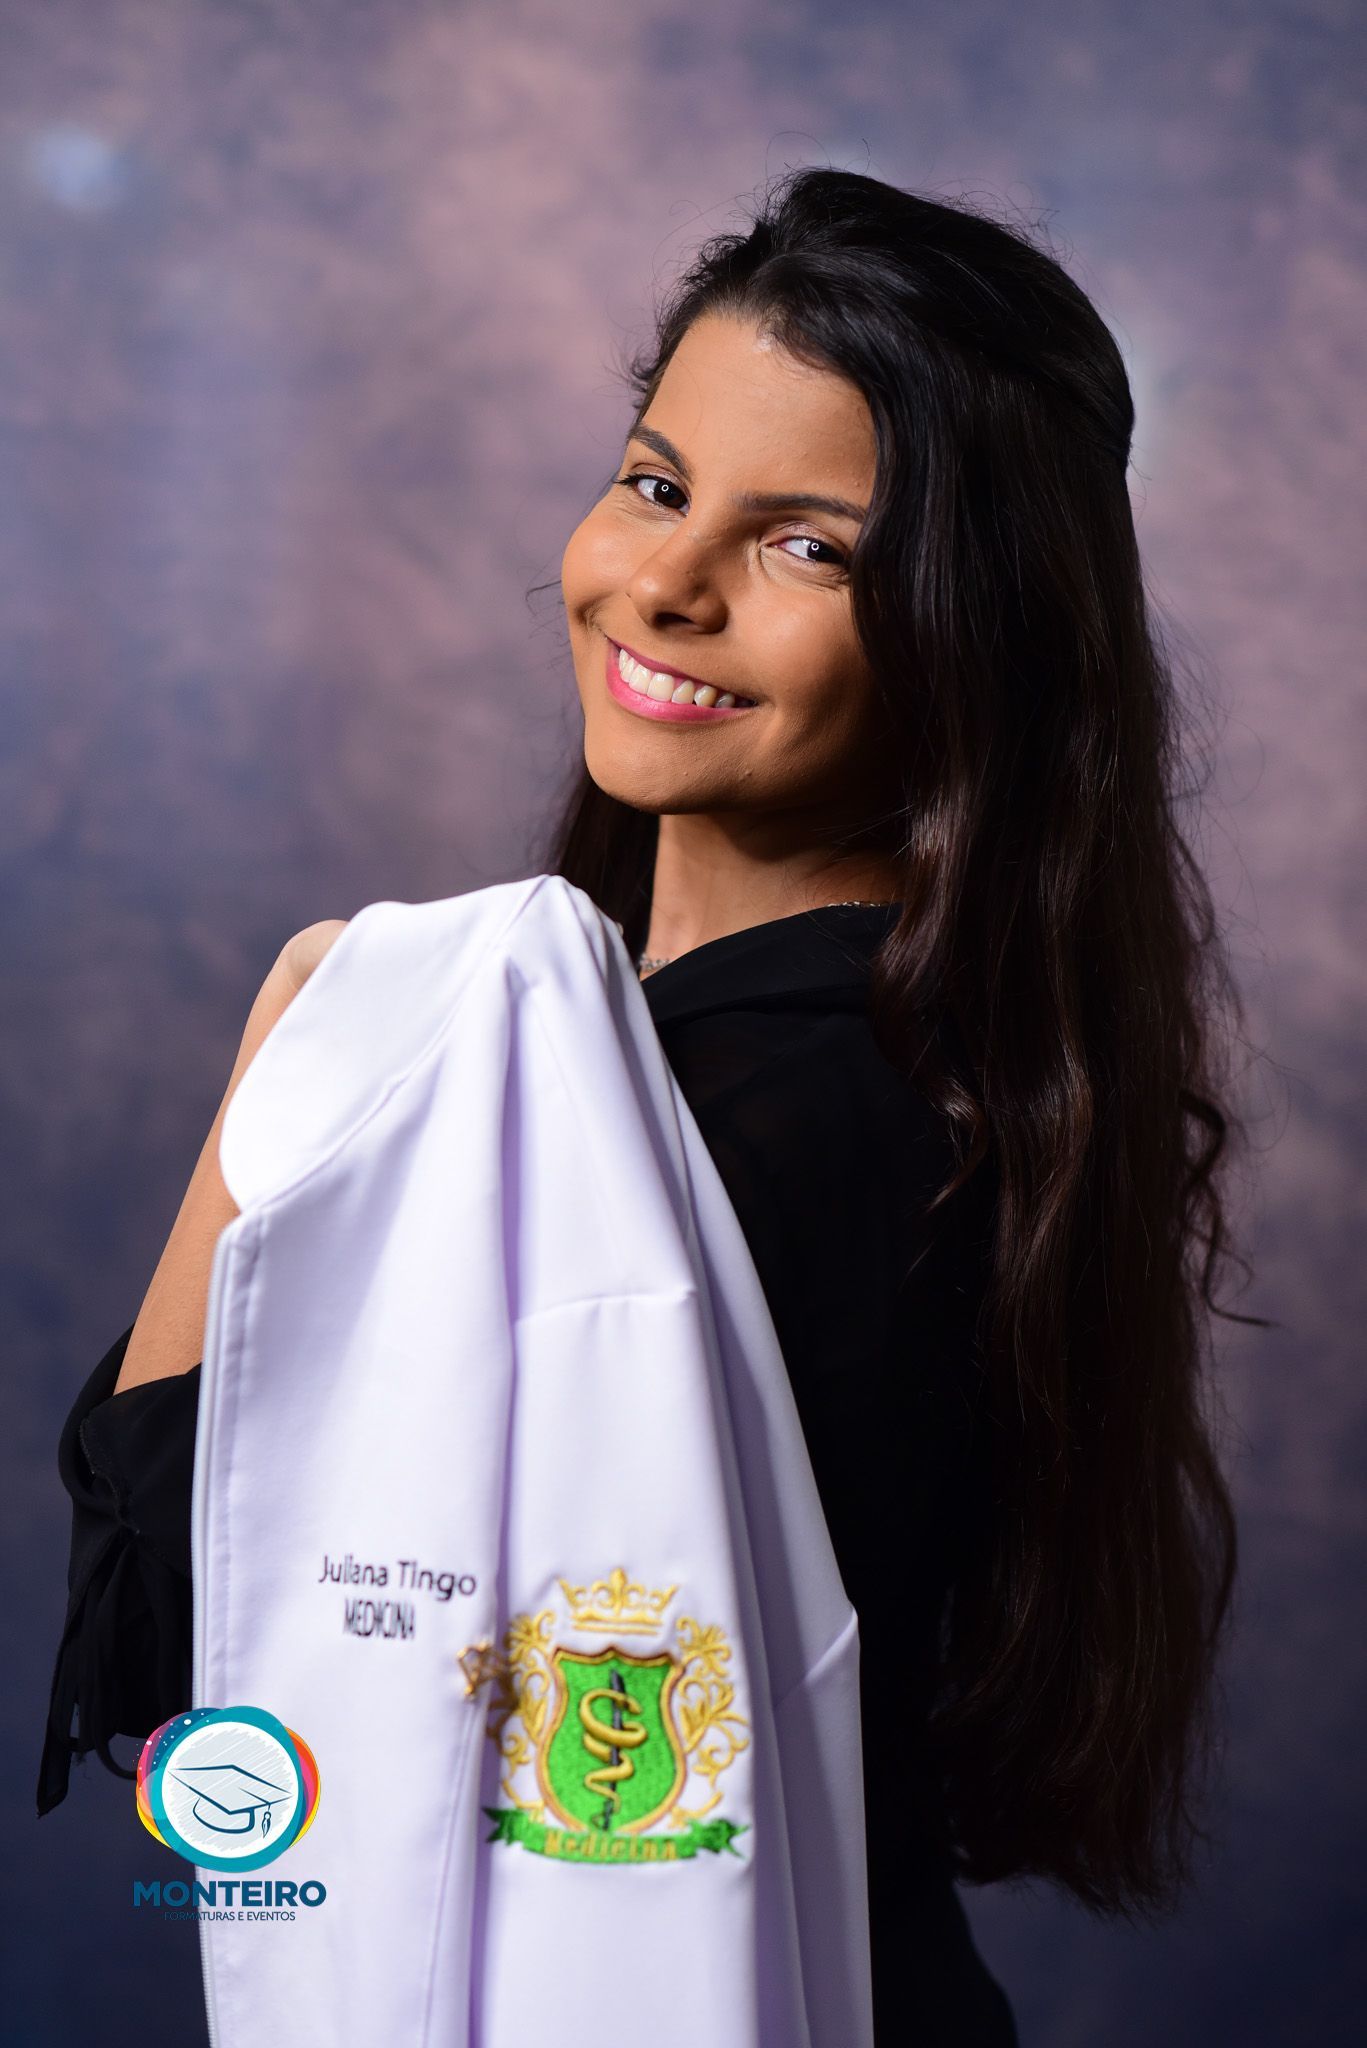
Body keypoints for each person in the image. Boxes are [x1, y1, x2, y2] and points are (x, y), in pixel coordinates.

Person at [38, 165, 1254, 2045]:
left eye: (810, 547)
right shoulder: (906, 1060)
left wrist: (307, 1032)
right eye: (660, 484)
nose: (667, 586)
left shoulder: (756, 1121)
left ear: (978, 632)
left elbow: (199, 1666)